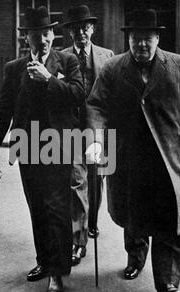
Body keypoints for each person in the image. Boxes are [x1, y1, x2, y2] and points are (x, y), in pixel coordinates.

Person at [85, 9, 180, 292]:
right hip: (130, 158)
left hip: (169, 158)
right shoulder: (113, 68)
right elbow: (96, 105)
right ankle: (135, 258)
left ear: (157, 38)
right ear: (129, 40)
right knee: (134, 216)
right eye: (136, 39)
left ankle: (167, 281)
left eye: (148, 39)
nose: (142, 45)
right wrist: (97, 139)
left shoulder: (177, 64)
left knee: (169, 219)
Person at [0, 6, 84, 292]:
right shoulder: (14, 68)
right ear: (26, 38)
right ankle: (44, 260)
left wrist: (49, 80)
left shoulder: (68, 60)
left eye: (47, 33)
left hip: (58, 146)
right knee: (37, 207)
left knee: (57, 209)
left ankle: (57, 273)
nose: (42, 39)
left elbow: (79, 94)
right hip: (27, 147)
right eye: (35, 35)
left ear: (53, 34)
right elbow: (4, 108)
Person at [61, 5, 114, 266]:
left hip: (101, 130)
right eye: (76, 28)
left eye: (85, 27)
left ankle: (91, 223)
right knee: (75, 181)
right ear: (70, 31)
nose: (81, 32)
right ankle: (78, 241)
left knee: (96, 181)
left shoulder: (107, 56)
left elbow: (111, 95)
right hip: (71, 127)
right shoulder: (61, 57)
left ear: (92, 29)